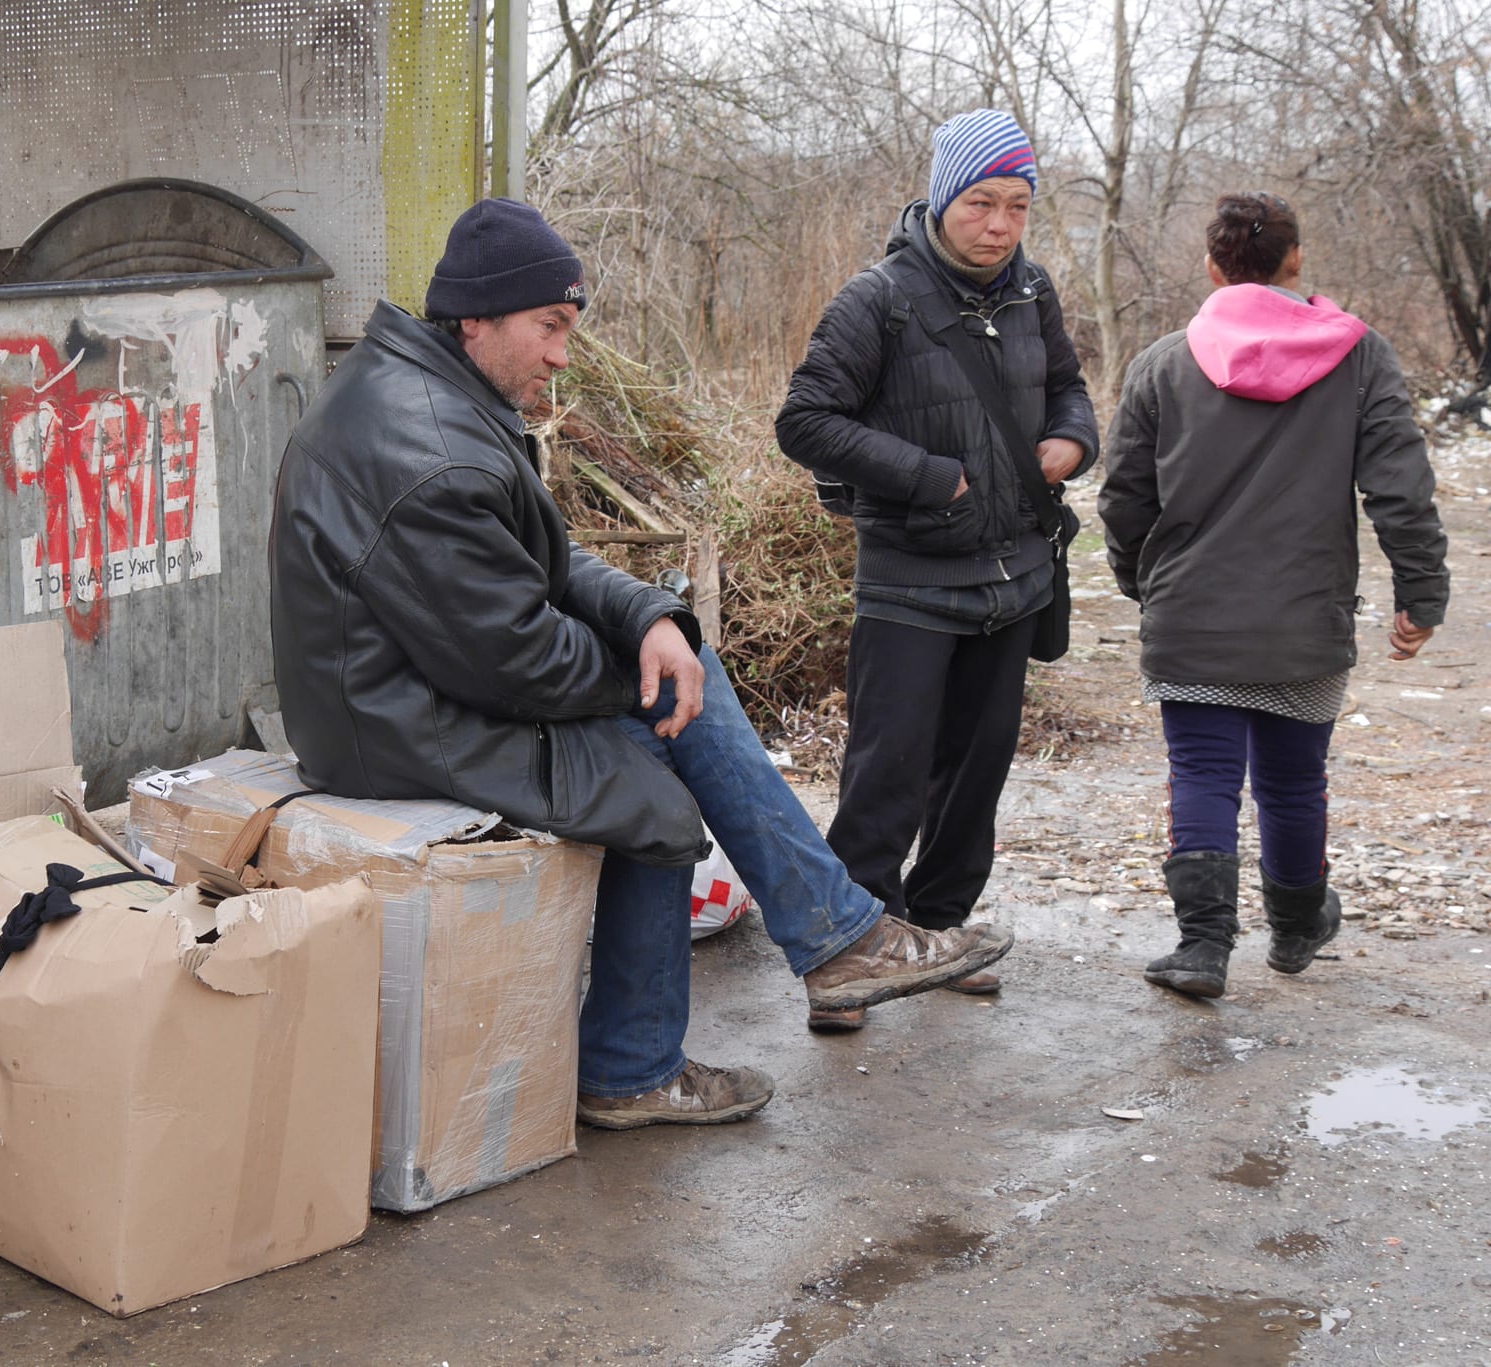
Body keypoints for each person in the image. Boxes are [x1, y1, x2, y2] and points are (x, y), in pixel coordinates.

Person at [270, 197, 1012, 1130]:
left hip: (410, 684)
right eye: (550, 327)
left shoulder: (433, 396)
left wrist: (653, 619)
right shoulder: (433, 450)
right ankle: (650, 1057)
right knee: (656, 789)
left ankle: (823, 947)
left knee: (686, 678)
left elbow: (546, 564)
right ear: (477, 316)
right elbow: (514, 660)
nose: (560, 356)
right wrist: (648, 675)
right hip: (387, 723)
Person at [774, 110, 1099, 1031]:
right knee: (888, 773)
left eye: (1017, 206)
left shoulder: (1033, 291)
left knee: (977, 769)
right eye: (982, 203)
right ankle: (850, 952)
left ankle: (942, 926)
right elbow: (805, 421)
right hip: (912, 579)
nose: (999, 225)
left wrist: (1072, 439)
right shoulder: (877, 298)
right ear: (943, 196)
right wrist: (931, 476)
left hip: (1015, 577)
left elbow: (1071, 388)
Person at [1100, 191, 1448, 999]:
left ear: (1216, 269)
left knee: (1202, 771)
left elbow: (1124, 497)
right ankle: (1294, 928)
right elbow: (1401, 487)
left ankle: (1202, 947)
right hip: (1305, 616)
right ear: (1296, 260)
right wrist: (1421, 593)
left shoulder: (1163, 362)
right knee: (1294, 781)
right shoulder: (1361, 356)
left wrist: (1139, 581)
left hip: (1190, 613)